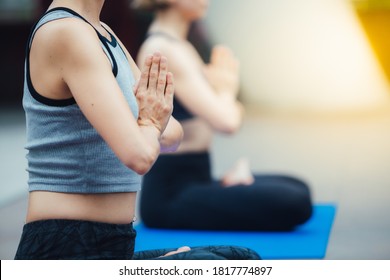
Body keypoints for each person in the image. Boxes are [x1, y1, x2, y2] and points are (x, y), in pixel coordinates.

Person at [14, 0, 260, 260]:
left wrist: (149, 126)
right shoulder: (65, 31)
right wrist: (150, 124)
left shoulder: (104, 33)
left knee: (240, 258)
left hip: (114, 243)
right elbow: (140, 154)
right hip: (66, 248)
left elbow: (173, 133)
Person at [133, 0, 313, 231]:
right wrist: (227, 91)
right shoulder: (163, 49)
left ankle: (224, 185)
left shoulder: (180, 46)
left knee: (298, 186)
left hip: (198, 179)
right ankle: (224, 187)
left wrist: (225, 98)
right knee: (294, 200)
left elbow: (228, 113)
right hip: (171, 194)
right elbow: (227, 121)